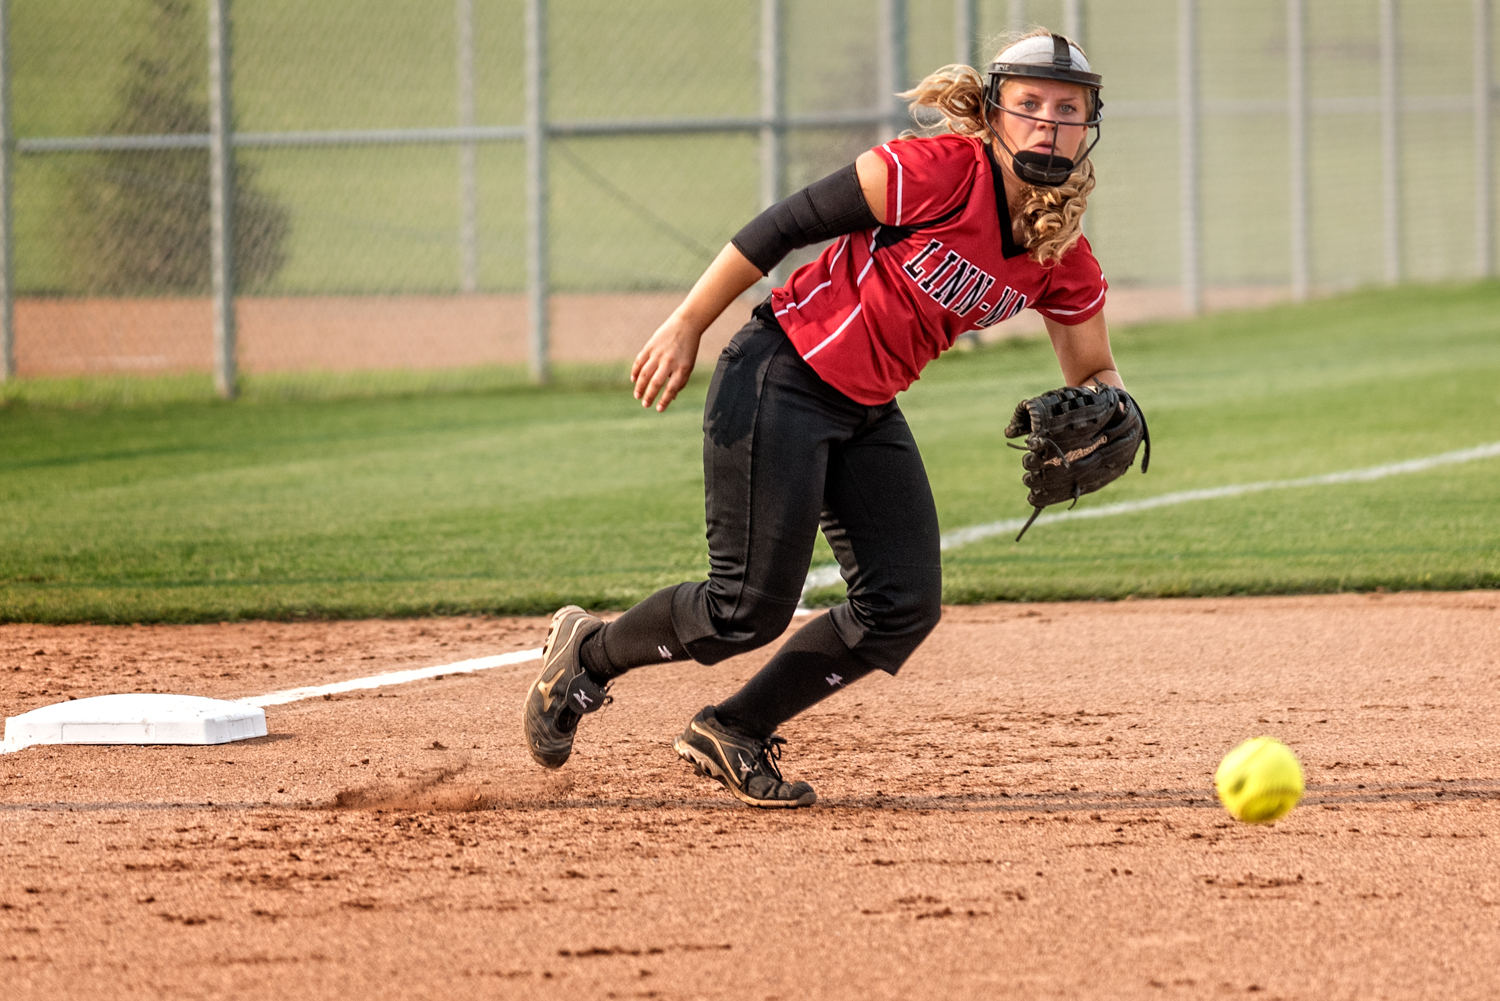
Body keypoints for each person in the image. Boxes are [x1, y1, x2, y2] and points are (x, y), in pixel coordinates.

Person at [523, 30, 1125, 808]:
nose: (1047, 122)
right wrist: (688, 323)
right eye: (1030, 104)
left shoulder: (1060, 251)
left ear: (1087, 126)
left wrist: (1116, 407)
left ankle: (733, 727)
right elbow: (783, 225)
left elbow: (1094, 371)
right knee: (745, 608)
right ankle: (588, 655)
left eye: (1066, 109)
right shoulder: (936, 173)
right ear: (994, 113)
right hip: (782, 372)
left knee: (903, 603)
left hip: (865, 405)